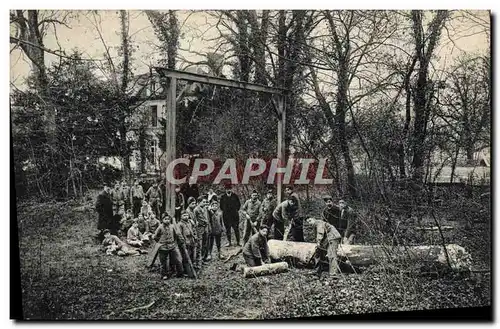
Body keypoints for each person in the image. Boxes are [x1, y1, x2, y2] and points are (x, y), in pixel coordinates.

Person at [153, 214, 185, 279]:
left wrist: (175, 241)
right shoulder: (160, 227)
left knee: (178, 259)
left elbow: (176, 234)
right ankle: (164, 274)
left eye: (168, 219)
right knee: (163, 262)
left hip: (172, 246)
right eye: (165, 219)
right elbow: (155, 237)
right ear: (162, 220)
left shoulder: (172, 226)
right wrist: (161, 242)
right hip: (163, 247)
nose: (167, 221)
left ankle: (179, 273)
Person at [193, 195, 211, 268]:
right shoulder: (196, 209)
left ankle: (203, 259)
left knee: (205, 244)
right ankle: (198, 262)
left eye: (205, 202)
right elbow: (195, 219)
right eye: (203, 202)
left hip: (205, 228)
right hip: (199, 229)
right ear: (199, 202)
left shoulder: (205, 209)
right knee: (199, 245)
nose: (204, 203)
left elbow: (207, 218)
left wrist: (208, 226)